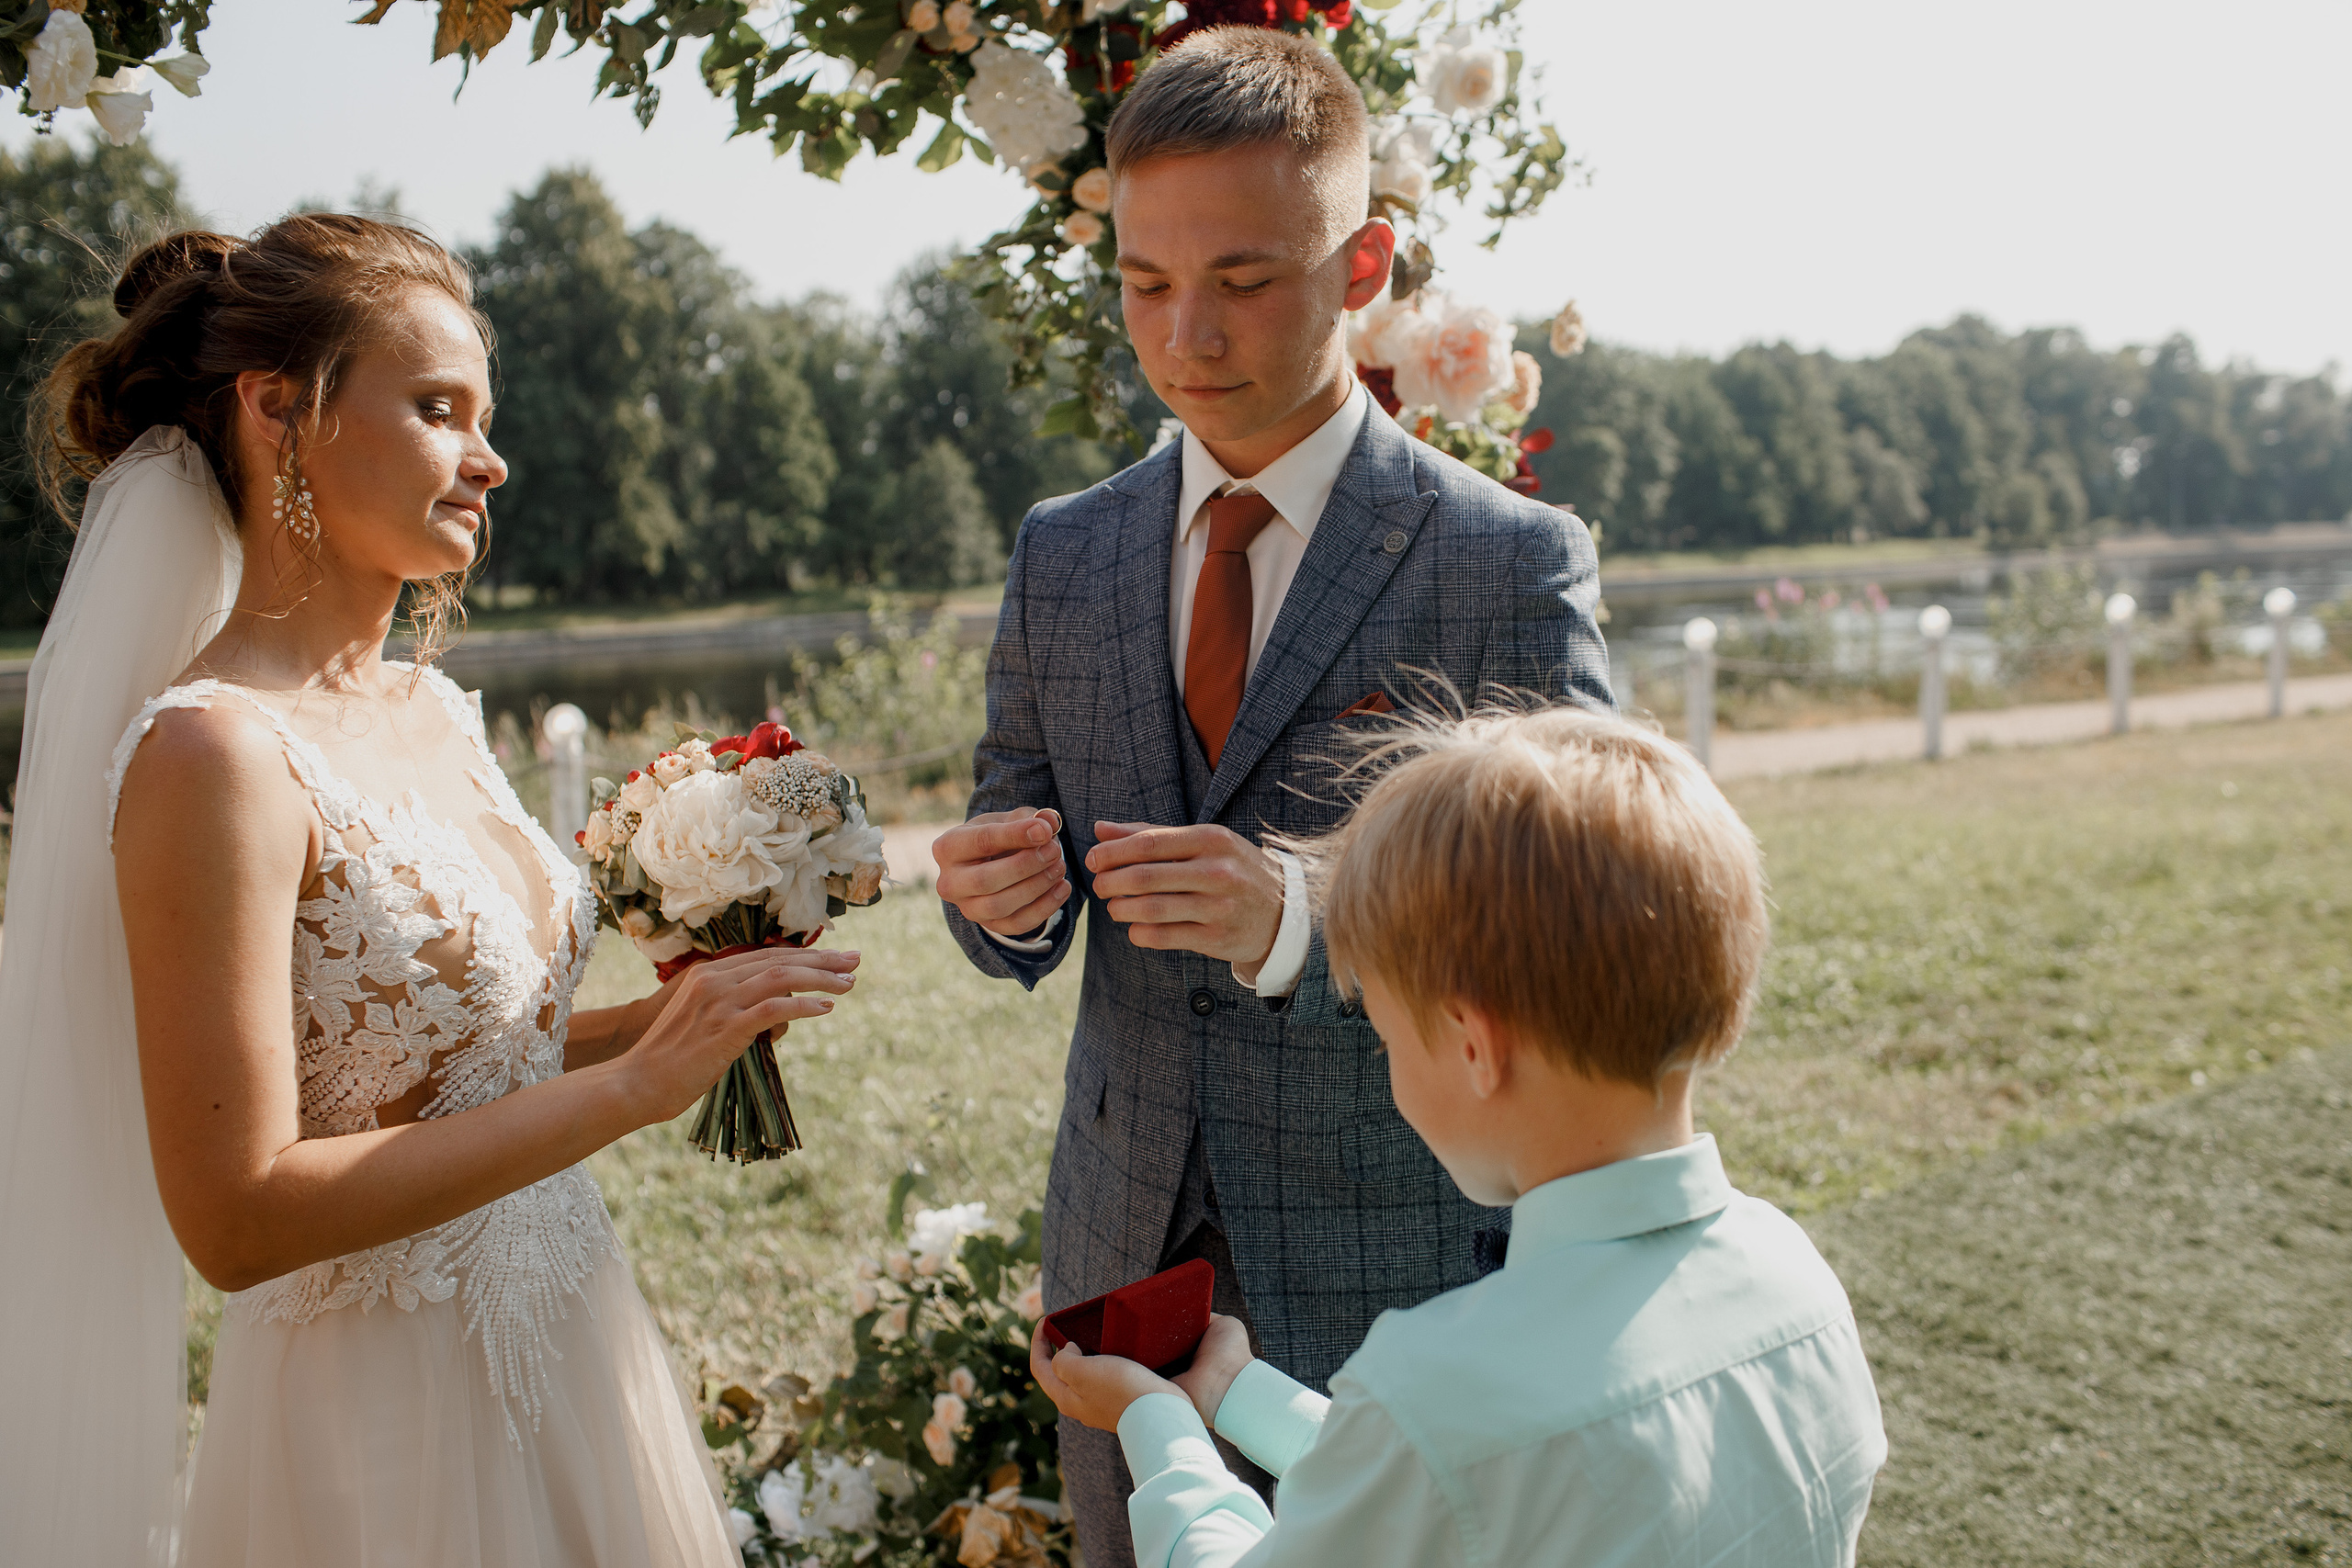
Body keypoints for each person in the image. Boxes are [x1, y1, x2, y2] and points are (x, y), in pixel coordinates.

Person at [0, 214, 861, 1567]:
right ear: (280, 411)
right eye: (438, 408)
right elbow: (236, 1212)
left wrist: (680, 1022)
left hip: (574, 1336)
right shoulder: (211, 752)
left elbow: (463, 1065)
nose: (489, 456)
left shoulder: (434, 708)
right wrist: (631, 1092)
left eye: (485, 414)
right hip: (379, 1428)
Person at [929, 25, 1612, 1563]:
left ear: (1361, 260)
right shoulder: (1067, 551)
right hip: (1124, 1243)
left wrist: (1303, 914)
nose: (1188, 336)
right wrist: (996, 896)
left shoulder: (1504, 558)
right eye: (1147, 287)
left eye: (1242, 281)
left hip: (1396, 1252)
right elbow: (1013, 855)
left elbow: (1585, 923)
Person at [1031, 705, 1889, 1567]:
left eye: (1384, 1030)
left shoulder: (1437, 1386)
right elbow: (1457, 1490)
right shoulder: (1798, 1282)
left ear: (1474, 1047)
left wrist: (1159, 1424)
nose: (1389, 1062)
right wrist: (1235, 1390)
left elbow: (1438, 1465)